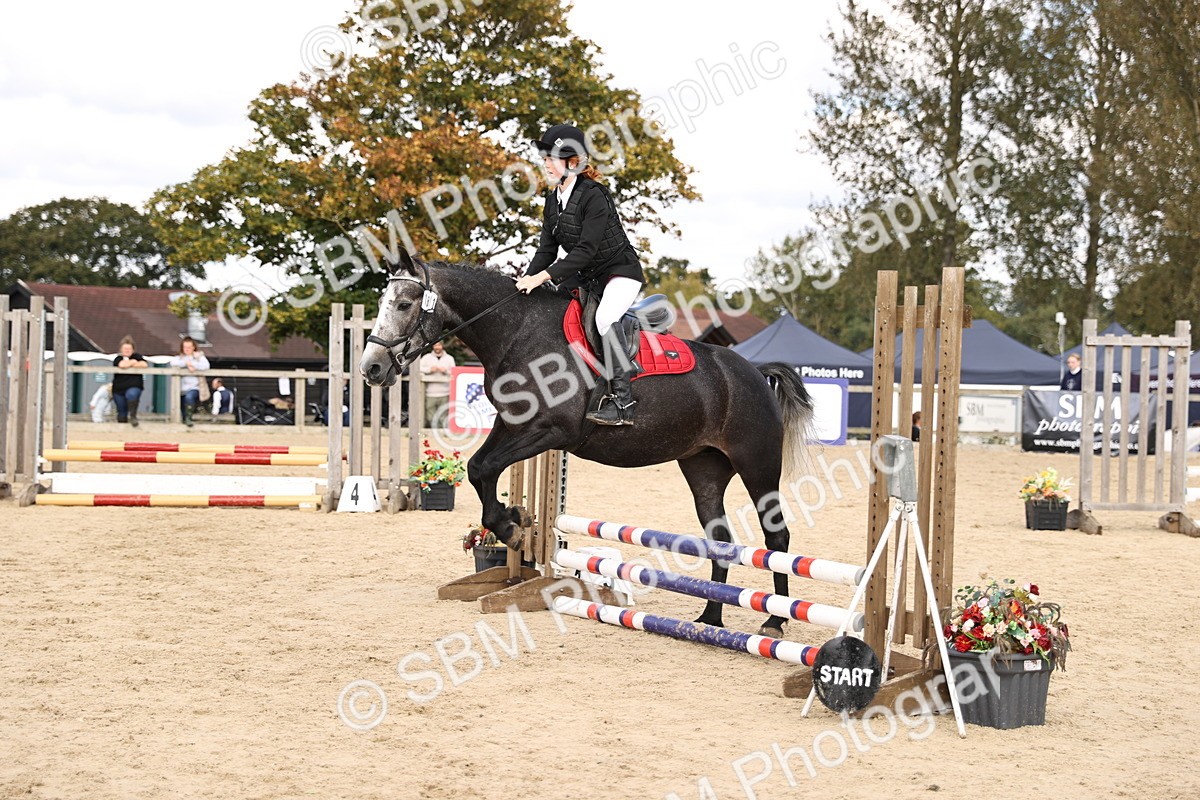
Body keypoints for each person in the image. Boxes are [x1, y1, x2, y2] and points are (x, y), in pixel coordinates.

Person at [515, 123, 645, 426]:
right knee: (547, 305)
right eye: (545, 158)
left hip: (619, 272)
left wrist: (541, 277)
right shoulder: (552, 201)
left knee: (603, 318)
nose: (545, 163)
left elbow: (585, 250)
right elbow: (546, 252)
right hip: (587, 276)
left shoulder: (594, 196)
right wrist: (524, 281)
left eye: (551, 158)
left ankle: (623, 402)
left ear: (573, 162)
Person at [169, 336, 210, 427]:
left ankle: (189, 419)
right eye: (185, 347)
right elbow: (173, 363)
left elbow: (206, 366)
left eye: (189, 347)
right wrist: (186, 363)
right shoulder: (179, 358)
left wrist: (193, 365)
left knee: (189, 397)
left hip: (195, 387)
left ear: (193, 347)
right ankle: (186, 421)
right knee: (182, 408)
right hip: (181, 388)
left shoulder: (199, 357)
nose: (187, 349)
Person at [112, 336, 148, 427]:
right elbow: (121, 365)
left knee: (131, 394)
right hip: (118, 389)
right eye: (125, 349)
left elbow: (144, 364)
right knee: (121, 413)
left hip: (134, 386)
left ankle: (133, 416)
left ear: (133, 349)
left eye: (129, 349)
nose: (127, 351)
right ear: (121, 349)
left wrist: (132, 362)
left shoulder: (138, 356)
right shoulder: (118, 358)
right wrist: (133, 362)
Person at [419, 340, 455, 427]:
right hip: (430, 392)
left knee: (443, 416)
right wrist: (429, 370)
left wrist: (445, 371)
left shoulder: (449, 358)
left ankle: (442, 434)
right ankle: (433, 433)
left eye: (439, 345)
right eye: (435, 345)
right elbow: (418, 368)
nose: (437, 347)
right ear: (432, 346)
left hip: (445, 392)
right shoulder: (426, 357)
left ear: (442, 346)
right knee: (430, 416)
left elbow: (454, 372)